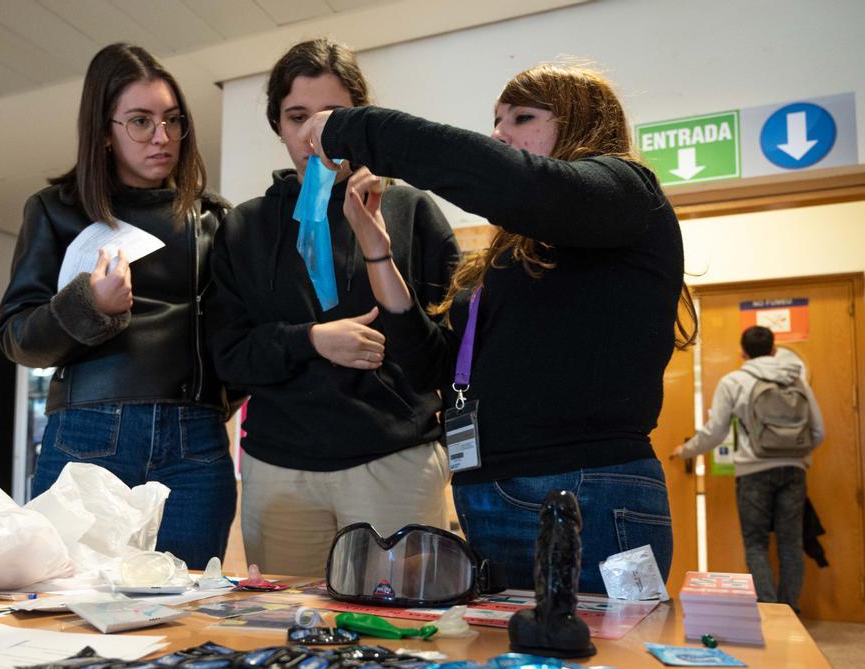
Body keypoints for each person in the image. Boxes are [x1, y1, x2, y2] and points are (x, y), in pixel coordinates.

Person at [299, 63, 697, 592]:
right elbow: (434, 367)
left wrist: (353, 127)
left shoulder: (628, 191)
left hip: (588, 492)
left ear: (581, 123)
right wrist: (378, 253)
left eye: (523, 117)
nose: (499, 134)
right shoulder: (512, 257)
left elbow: (515, 181)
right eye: (496, 120)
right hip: (488, 494)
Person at [207, 39, 460, 576]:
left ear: (359, 118)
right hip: (279, 469)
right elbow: (228, 357)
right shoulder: (245, 227)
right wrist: (312, 340)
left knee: (402, 636)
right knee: (285, 639)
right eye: (297, 117)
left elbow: (447, 358)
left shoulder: (409, 210)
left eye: (332, 116)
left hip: (396, 463)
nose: (313, 134)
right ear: (278, 123)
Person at [0, 43, 236, 567]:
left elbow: (234, 337)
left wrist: (216, 400)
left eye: (173, 121)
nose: (163, 137)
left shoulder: (215, 218)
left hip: (195, 439)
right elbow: (17, 337)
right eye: (141, 122)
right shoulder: (55, 210)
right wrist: (88, 304)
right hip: (88, 432)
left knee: (183, 614)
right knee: (71, 605)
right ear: (104, 131)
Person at [672, 326, 825, 611]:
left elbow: (716, 432)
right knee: (790, 544)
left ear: (742, 352)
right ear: (774, 350)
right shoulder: (796, 379)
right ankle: (790, 612)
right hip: (794, 471)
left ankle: (769, 612)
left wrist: (686, 450)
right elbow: (819, 432)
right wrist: (795, 456)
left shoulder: (734, 381)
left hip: (753, 473)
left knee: (756, 543)